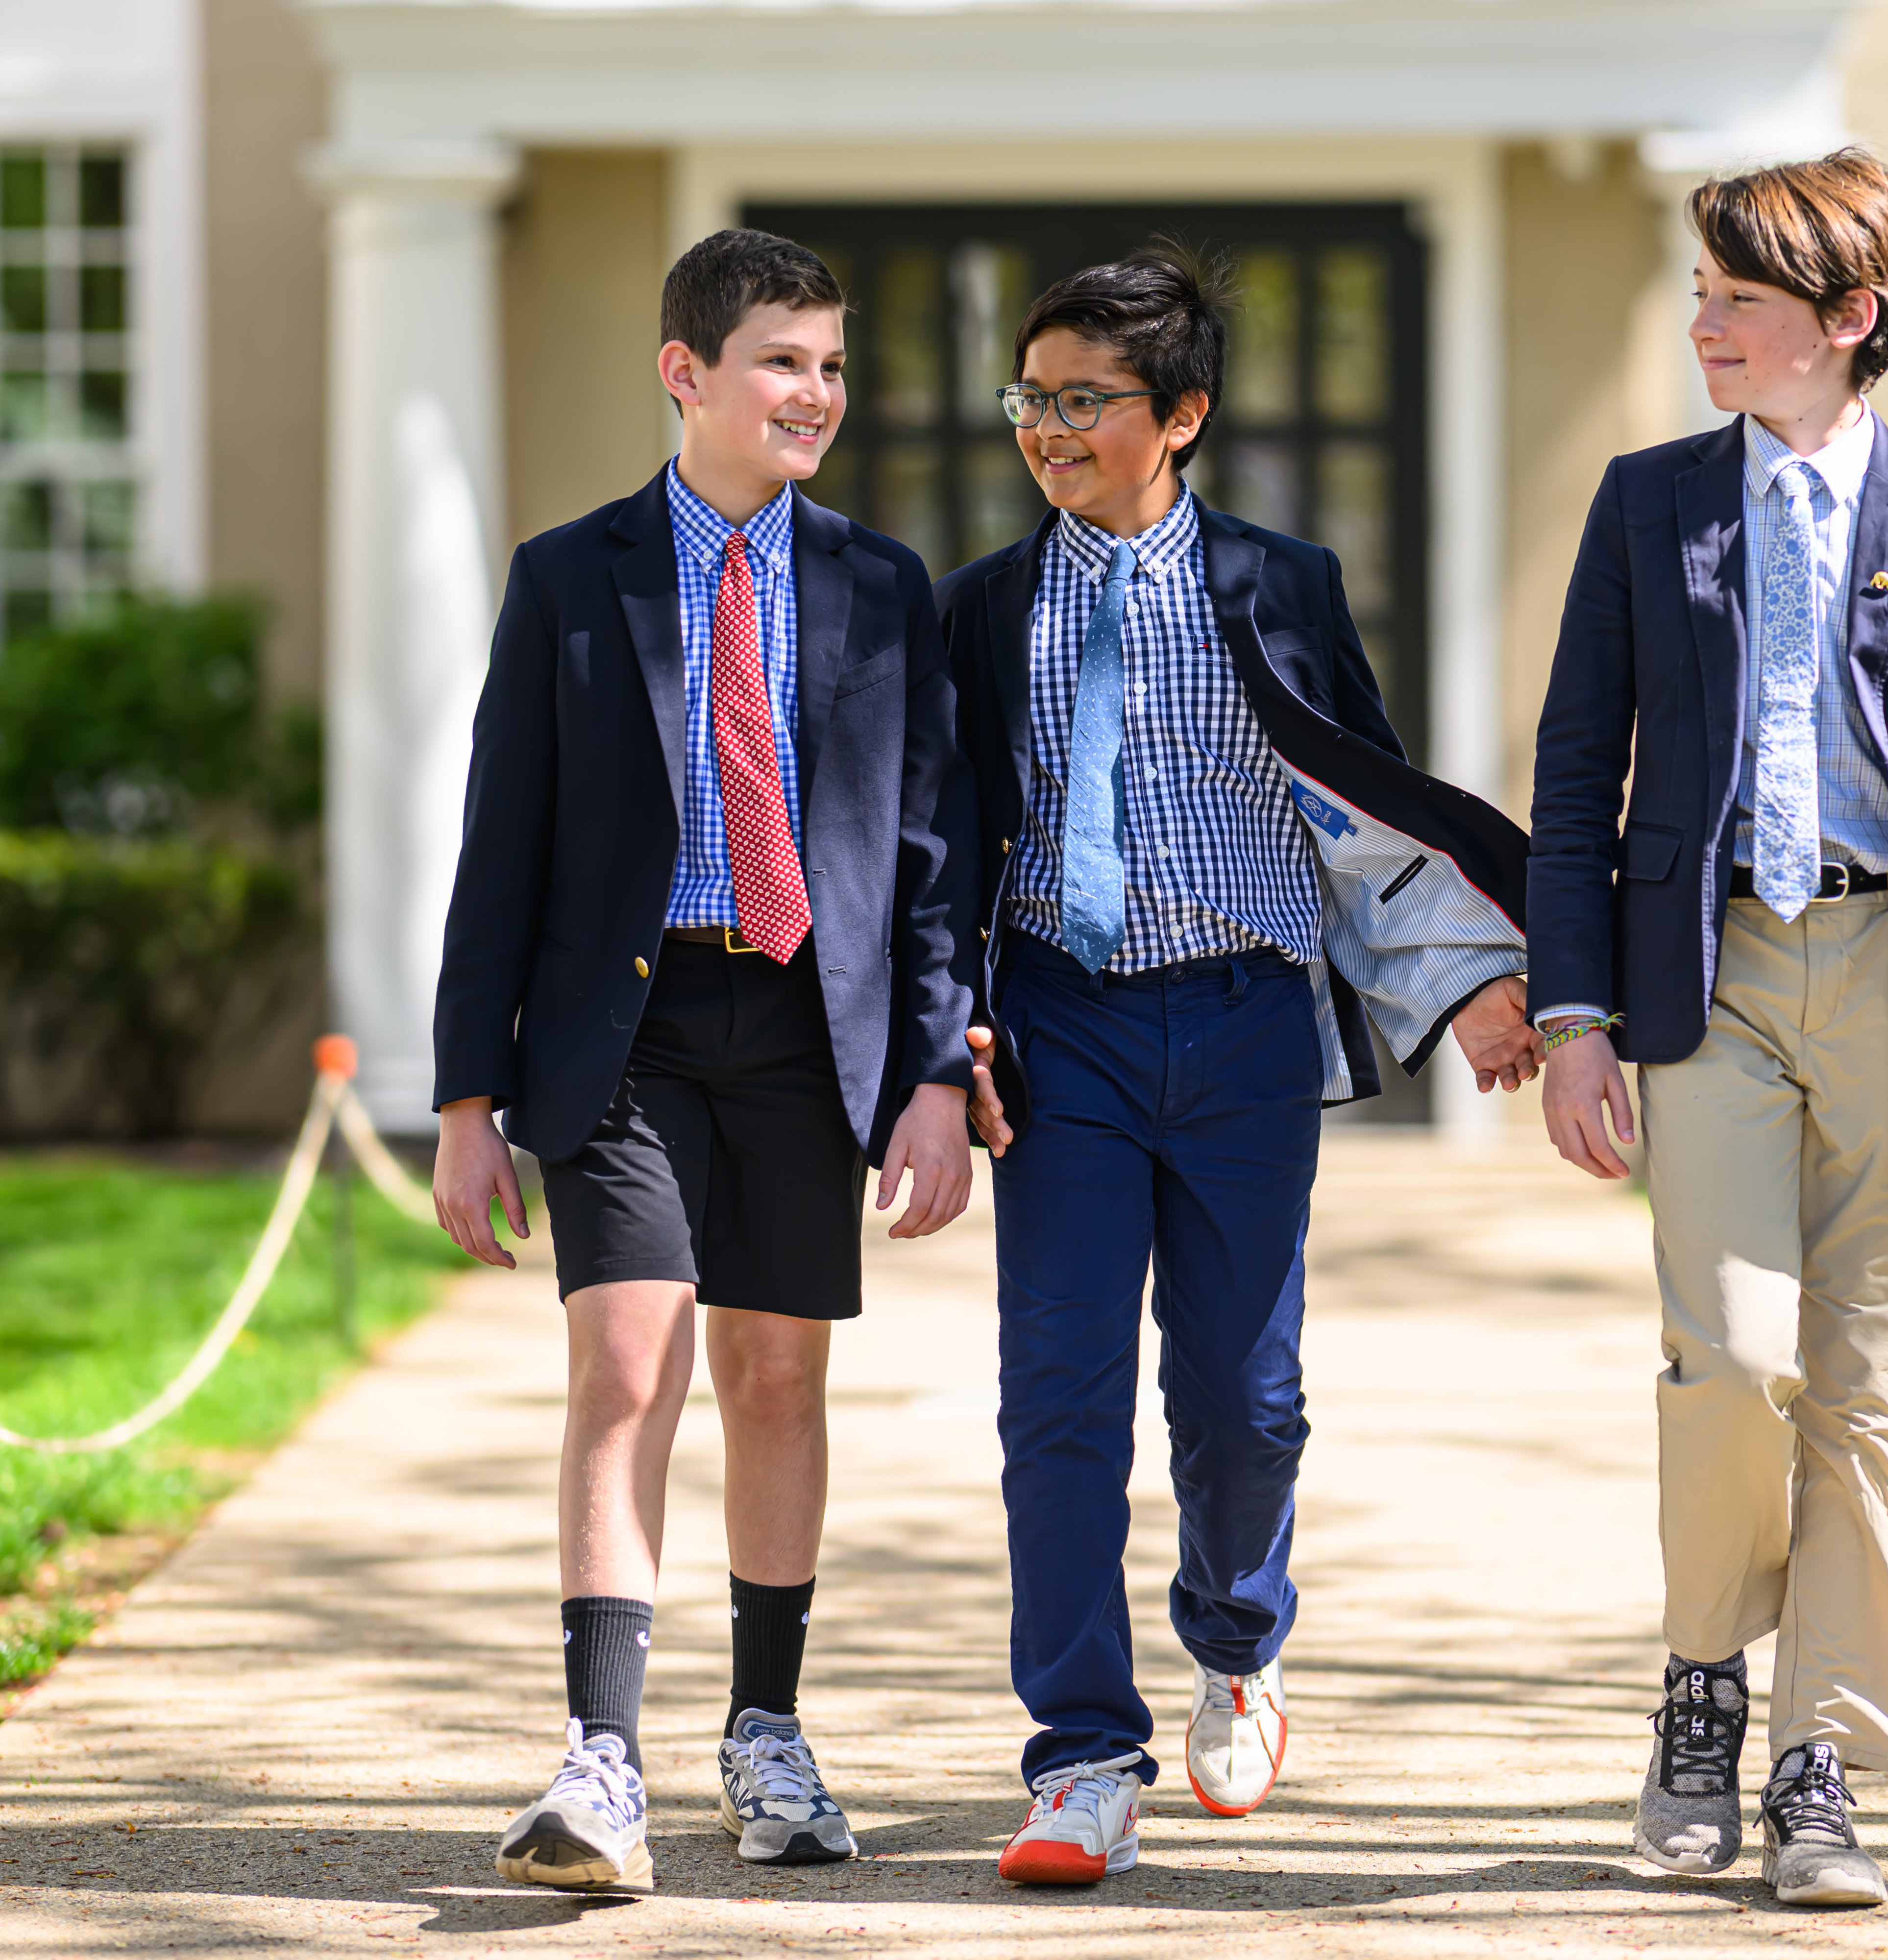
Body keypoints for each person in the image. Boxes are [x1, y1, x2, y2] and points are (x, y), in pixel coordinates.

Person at [935, 244, 1542, 1887]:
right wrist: (942, 1035)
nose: (1049, 429)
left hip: (1246, 1027)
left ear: (1183, 414)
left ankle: (1239, 1642)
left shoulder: (1284, 582)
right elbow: (944, 844)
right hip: (1061, 1028)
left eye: (1086, 400)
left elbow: (1364, 804)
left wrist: (1471, 984)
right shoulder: (982, 608)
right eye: (1031, 398)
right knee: (1058, 1398)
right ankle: (1079, 1757)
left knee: (1243, 1396)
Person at [1526, 150, 1888, 1909]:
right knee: (1735, 1361)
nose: (1704, 326)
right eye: (1702, 296)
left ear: (1846, 320)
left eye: (1739, 302)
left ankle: (1818, 1762)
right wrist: (1574, 1011)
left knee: (1865, 1394)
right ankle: (1703, 1684)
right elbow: (1574, 772)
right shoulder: (1648, 504)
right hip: (1713, 978)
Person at [428, 228, 978, 1892]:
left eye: (831, 364)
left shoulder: (882, 585)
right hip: (627, 1032)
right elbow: (501, 848)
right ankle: (601, 1760)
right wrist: (466, 1099)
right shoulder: (570, 579)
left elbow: (929, 856)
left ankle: (767, 1733)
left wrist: (935, 1072)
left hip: (811, 1032)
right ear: (687, 373)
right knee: (627, 1367)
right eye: (781, 362)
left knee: (776, 1379)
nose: (816, 393)